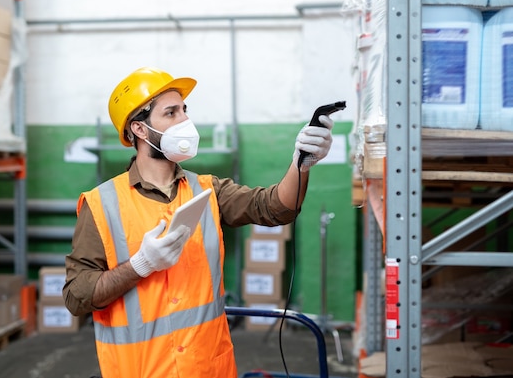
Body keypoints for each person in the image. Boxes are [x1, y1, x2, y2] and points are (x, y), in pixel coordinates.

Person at [63, 66, 334, 378]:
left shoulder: (207, 189)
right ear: (139, 129)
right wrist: (140, 265)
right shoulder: (101, 204)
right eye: (171, 112)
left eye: (184, 110)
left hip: (209, 369)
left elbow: (275, 207)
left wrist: (303, 162)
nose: (184, 121)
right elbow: (76, 296)